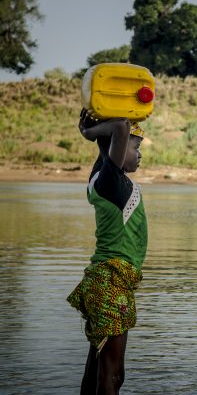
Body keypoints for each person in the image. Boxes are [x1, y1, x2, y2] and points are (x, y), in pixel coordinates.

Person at [67, 109, 147, 394]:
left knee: (98, 368)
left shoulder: (101, 177)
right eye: (136, 147)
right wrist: (89, 133)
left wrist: (98, 135)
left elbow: (112, 141)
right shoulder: (109, 183)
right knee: (112, 376)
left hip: (105, 282)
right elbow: (123, 125)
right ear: (119, 145)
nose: (140, 154)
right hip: (111, 284)